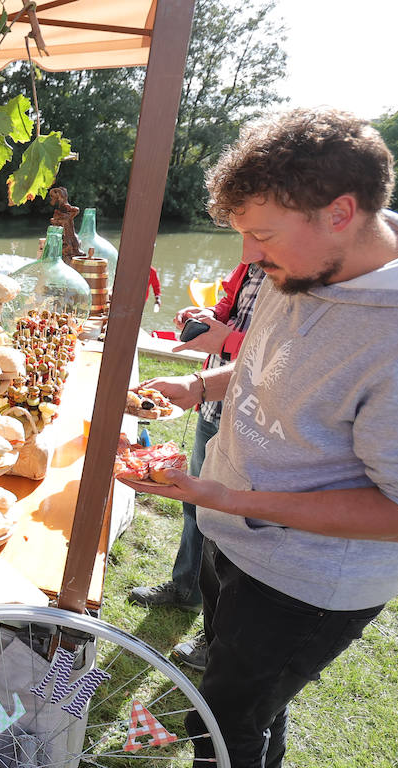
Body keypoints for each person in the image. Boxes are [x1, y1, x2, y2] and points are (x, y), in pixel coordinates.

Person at [122, 108, 398, 768]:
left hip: (307, 587)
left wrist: (224, 499)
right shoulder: (308, 261)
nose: (249, 258)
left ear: (341, 211)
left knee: (222, 726)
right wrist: (200, 388)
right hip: (237, 534)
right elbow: (272, 356)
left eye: (261, 235)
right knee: (247, 703)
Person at [128, 261, 266, 636]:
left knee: (233, 522)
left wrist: (225, 341)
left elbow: (285, 355)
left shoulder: (303, 270)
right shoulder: (254, 261)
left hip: (252, 420)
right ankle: (187, 587)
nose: (247, 244)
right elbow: (229, 308)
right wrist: (207, 317)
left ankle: (220, 630)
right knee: (196, 505)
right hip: (214, 402)